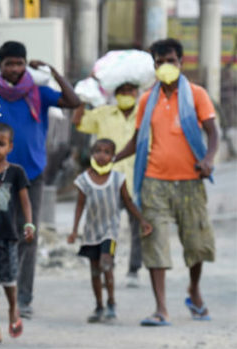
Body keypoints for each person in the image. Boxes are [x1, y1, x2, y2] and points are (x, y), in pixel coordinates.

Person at [0, 41, 81, 318]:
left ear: (25, 64)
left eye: (20, 63)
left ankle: (24, 300)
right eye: (10, 64)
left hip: (32, 176)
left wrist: (53, 71)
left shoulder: (39, 93)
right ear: (1, 65)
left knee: (28, 235)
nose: (15, 69)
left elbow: (74, 102)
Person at [114, 38, 218, 326]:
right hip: (154, 181)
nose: (165, 67)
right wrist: (110, 160)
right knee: (154, 241)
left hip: (190, 181)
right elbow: (138, 140)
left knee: (196, 243)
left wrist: (208, 159)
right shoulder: (147, 99)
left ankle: (193, 290)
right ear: (155, 66)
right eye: (159, 62)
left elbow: (213, 132)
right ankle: (161, 308)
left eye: (170, 61)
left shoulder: (197, 95)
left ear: (181, 62)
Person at [67, 139, 152, 323]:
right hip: (91, 233)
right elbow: (80, 205)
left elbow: (128, 202)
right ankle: (99, 305)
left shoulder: (118, 179)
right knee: (95, 271)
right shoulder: (84, 180)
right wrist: (74, 231)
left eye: (106, 152)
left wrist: (142, 220)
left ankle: (111, 303)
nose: (102, 155)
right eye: (98, 151)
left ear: (113, 157)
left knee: (106, 263)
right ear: (92, 155)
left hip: (110, 231)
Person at [72, 82, 144, 287]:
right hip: (105, 183)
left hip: (135, 181)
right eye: (121, 91)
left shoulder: (145, 114)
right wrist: (83, 99)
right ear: (115, 93)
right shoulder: (103, 114)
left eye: (130, 91)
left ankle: (133, 269)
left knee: (136, 226)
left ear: (136, 93)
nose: (126, 95)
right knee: (105, 227)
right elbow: (78, 122)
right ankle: (106, 264)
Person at [0, 122, 35, 345]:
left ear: (10, 146)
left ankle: (13, 308)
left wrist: (29, 224)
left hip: (9, 236)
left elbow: (25, 203)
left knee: (9, 281)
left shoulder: (16, 172)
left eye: (0, 144)